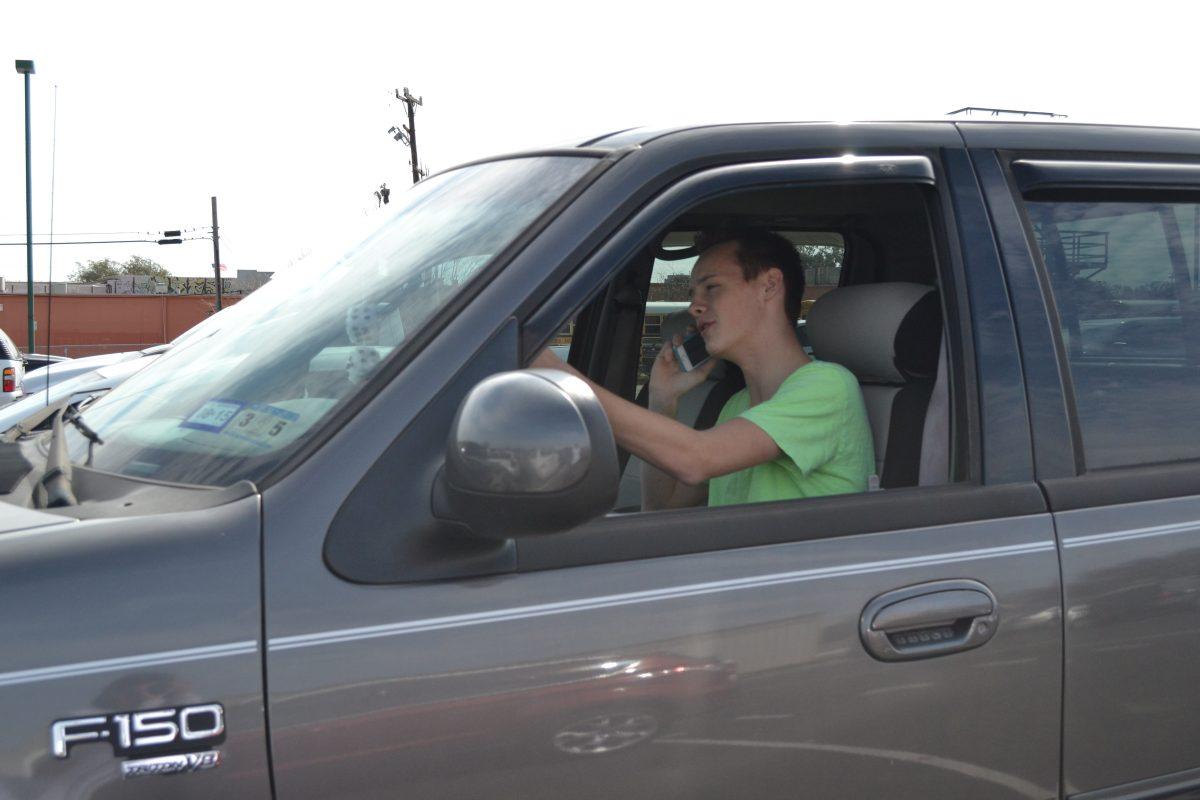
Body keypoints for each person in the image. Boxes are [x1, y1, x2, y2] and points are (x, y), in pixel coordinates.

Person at [534, 227, 874, 510]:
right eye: (693, 293)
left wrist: (560, 378)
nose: (694, 307)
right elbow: (662, 515)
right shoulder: (736, 407)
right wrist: (662, 401)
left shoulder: (828, 387)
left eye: (712, 288)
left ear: (769, 286)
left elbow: (697, 459)